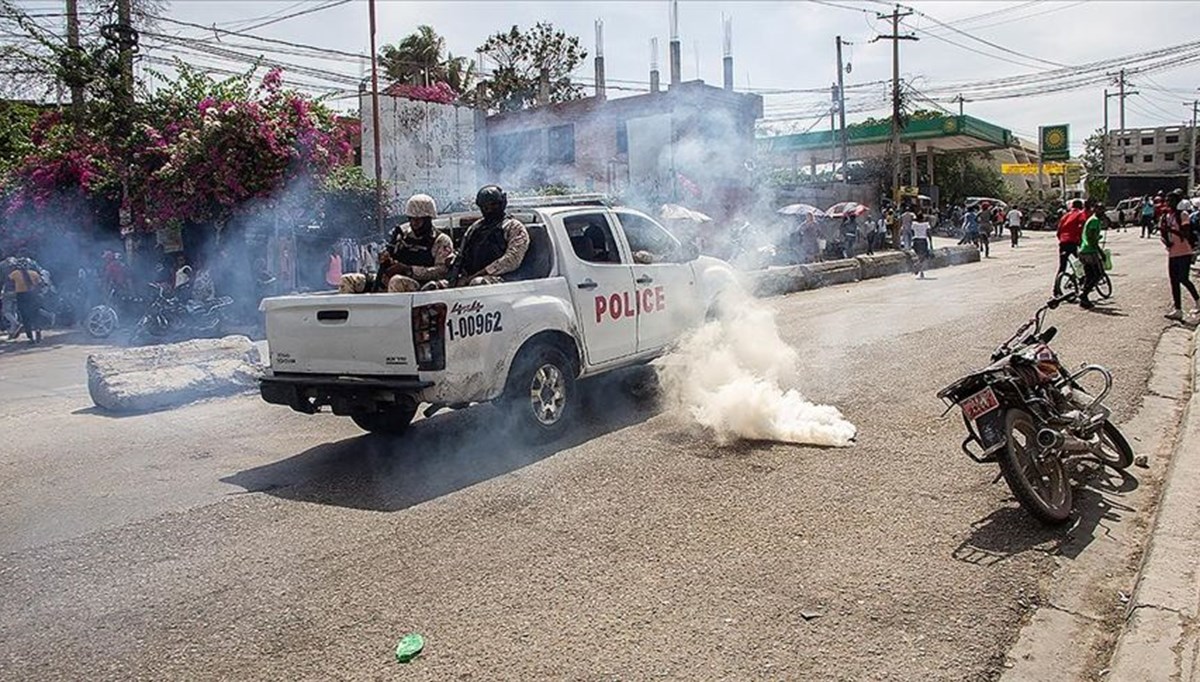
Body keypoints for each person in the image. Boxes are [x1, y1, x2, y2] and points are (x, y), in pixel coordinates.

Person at [438, 185, 529, 288]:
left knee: (477, 283)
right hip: (470, 276)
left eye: (493, 205)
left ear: (502, 204)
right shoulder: (475, 228)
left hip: (502, 279)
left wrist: (478, 274)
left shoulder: (513, 227)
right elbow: (462, 253)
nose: (489, 209)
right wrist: (452, 261)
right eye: (485, 206)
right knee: (435, 286)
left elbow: (512, 259)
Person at [384, 193, 455, 292]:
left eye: (418, 220)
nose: (414, 224)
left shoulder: (440, 241)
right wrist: (387, 262)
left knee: (396, 281)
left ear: (428, 220)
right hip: (397, 281)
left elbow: (442, 271)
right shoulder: (403, 237)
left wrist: (409, 270)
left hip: (424, 288)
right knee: (357, 279)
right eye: (411, 219)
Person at [1159, 191, 1200, 320]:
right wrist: (1166, 239)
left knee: (1183, 278)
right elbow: (1163, 235)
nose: (1168, 203)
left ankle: (1198, 300)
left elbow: (1186, 234)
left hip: (1184, 252)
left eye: (1171, 200)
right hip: (1173, 253)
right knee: (1174, 281)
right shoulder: (1166, 217)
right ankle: (1178, 309)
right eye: (1167, 200)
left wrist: (1171, 230)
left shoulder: (1183, 215)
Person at [5, 258, 43, 343]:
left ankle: (30, 338)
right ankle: (38, 331)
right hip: (33, 295)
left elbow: (9, 283)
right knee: (35, 315)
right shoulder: (34, 273)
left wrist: (11, 292)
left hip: (22, 296)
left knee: (25, 317)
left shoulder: (14, 273)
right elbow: (40, 284)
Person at [1054, 199, 1087, 296]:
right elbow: (1082, 227)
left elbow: (1059, 230)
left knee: (1062, 267)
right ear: (1081, 206)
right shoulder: (1080, 214)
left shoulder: (1065, 216)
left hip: (1063, 242)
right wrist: (1081, 241)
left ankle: (1056, 290)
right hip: (1073, 242)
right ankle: (1082, 282)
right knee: (1081, 262)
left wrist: (1061, 239)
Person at [1077, 201, 1106, 309]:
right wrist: (1101, 252)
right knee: (1098, 274)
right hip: (1090, 252)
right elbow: (1092, 239)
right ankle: (1084, 294)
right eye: (1100, 210)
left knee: (1089, 275)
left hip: (1084, 250)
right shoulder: (1095, 221)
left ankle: (1084, 299)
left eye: (1103, 210)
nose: (1102, 212)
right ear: (1095, 210)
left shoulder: (1092, 220)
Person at [911, 211, 932, 279]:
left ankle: (921, 271)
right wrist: (931, 243)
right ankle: (917, 266)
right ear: (923, 218)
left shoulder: (914, 224)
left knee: (919, 257)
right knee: (923, 257)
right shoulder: (926, 224)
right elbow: (929, 233)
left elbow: (912, 231)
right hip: (923, 241)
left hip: (916, 241)